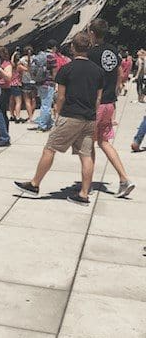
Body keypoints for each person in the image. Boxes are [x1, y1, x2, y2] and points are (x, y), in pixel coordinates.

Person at [14, 32, 105, 206]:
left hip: (70, 115)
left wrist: (58, 115)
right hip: (89, 118)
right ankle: (84, 193)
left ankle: (34, 184)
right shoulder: (97, 71)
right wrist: (92, 116)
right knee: (86, 155)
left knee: (50, 148)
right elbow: (98, 99)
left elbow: (61, 97)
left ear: (72, 48)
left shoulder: (67, 69)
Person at [87, 19, 135, 198]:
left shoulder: (92, 54)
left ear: (92, 33)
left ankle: (87, 183)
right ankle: (124, 179)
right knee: (104, 142)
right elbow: (119, 75)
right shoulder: (114, 51)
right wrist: (114, 96)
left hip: (96, 103)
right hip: (109, 103)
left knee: (88, 144)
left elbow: (90, 80)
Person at [29, 40, 58, 132]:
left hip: (39, 83)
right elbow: (54, 72)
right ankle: (43, 125)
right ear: (54, 47)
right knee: (46, 105)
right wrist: (56, 82)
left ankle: (48, 123)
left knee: (44, 103)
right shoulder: (51, 57)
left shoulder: (40, 56)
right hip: (48, 84)